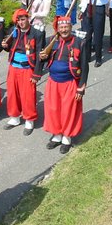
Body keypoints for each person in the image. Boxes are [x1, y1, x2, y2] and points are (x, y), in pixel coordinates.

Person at [39, 16, 88, 154]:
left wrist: (81, 86)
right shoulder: (51, 41)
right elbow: (45, 57)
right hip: (53, 82)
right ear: (58, 29)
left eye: (66, 27)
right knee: (53, 109)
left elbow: (84, 66)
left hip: (70, 83)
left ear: (70, 27)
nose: (64, 30)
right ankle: (56, 135)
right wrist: (42, 57)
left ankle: (67, 137)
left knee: (68, 111)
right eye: (61, 28)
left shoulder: (79, 42)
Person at [1, 9, 45, 136]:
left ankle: (29, 120)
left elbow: (40, 55)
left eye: (23, 19)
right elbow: (11, 48)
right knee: (13, 93)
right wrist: (5, 46)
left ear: (28, 18)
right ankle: (14, 117)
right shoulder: (14, 32)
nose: (21, 22)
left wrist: (36, 74)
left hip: (27, 68)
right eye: (18, 20)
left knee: (28, 95)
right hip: (14, 67)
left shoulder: (37, 33)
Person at [78, 0, 109, 67]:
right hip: (87, 7)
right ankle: (86, 56)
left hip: (98, 8)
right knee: (86, 34)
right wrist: (81, 9)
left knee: (98, 34)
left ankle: (98, 58)